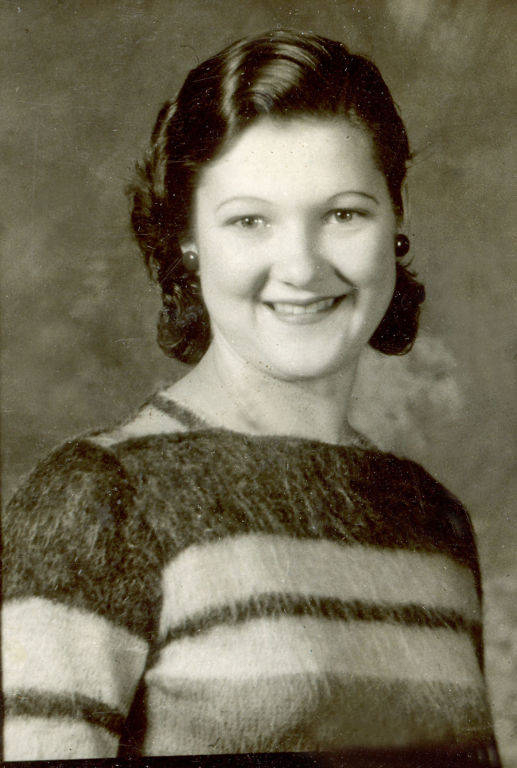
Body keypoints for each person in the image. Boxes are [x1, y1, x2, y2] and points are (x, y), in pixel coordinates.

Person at [2, 30, 500, 764]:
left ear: (393, 225)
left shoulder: (431, 520)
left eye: (342, 213)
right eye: (249, 221)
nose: (299, 266)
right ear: (188, 246)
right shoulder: (98, 502)